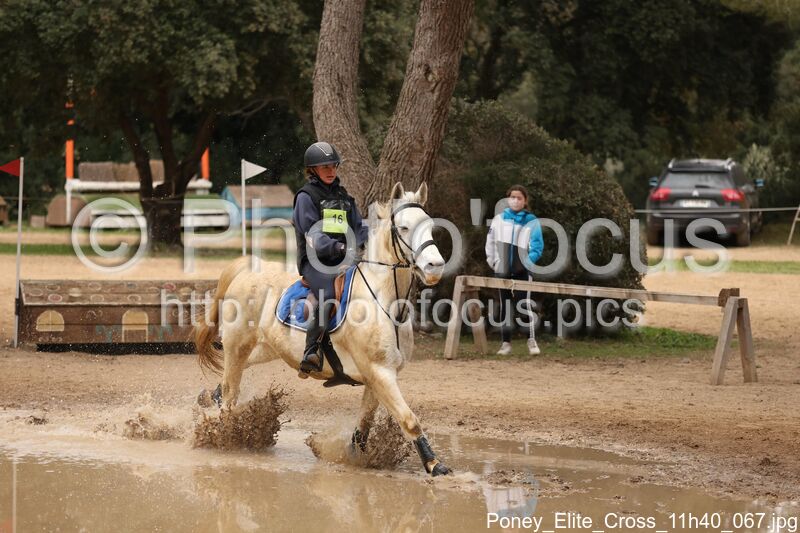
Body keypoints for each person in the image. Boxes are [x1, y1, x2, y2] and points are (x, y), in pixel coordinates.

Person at [292, 141, 368, 376]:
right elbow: (313, 236)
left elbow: (359, 227)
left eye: (333, 165)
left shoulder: (344, 197)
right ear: (313, 169)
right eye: (325, 166)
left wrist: (370, 240)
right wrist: (340, 247)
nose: (330, 170)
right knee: (328, 293)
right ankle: (311, 351)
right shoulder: (306, 197)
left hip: (344, 259)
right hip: (316, 262)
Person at [485, 184, 544, 356]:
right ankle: (506, 344)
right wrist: (494, 263)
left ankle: (531, 340)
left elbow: (537, 246)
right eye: (512, 197)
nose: (515, 201)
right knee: (504, 307)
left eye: (519, 198)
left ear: (525, 201)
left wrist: (526, 263)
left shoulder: (531, 220)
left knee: (523, 305)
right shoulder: (499, 219)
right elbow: (490, 243)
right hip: (502, 271)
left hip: (522, 272)